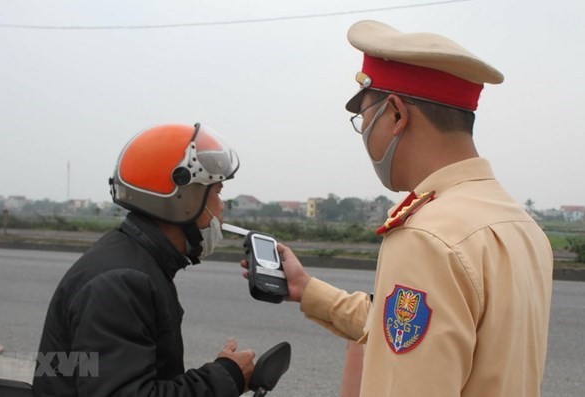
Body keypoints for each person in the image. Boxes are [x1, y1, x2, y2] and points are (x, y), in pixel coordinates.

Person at [247, 20, 553, 396]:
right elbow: (408, 333)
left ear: (395, 114)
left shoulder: (428, 236)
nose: (362, 132)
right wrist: (307, 289)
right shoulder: (519, 224)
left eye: (363, 117)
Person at [33, 123, 255, 397]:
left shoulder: (128, 260)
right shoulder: (120, 283)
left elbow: (96, 374)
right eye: (217, 192)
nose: (221, 208)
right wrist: (226, 376)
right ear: (183, 198)